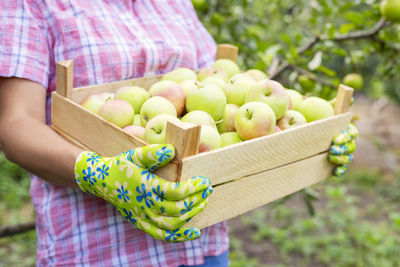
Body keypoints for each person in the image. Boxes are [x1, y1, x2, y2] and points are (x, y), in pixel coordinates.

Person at [0, 1, 357, 266]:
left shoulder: (173, 3)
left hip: (202, 245)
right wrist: (96, 172)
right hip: (99, 250)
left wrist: (311, 143)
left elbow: (215, 85)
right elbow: (16, 125)